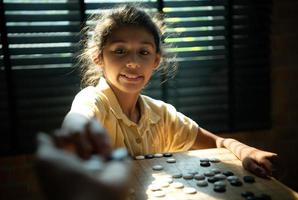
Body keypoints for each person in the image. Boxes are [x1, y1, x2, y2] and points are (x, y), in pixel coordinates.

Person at [52, 3, 277, 182]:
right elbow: (77, 121)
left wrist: (247, 152)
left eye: (144, 52)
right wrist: (74, 136)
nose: (132, 62)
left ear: (156, 61)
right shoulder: (93, 100)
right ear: (98, 57)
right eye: (119, 51)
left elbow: (219, 143)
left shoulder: (161, 115)